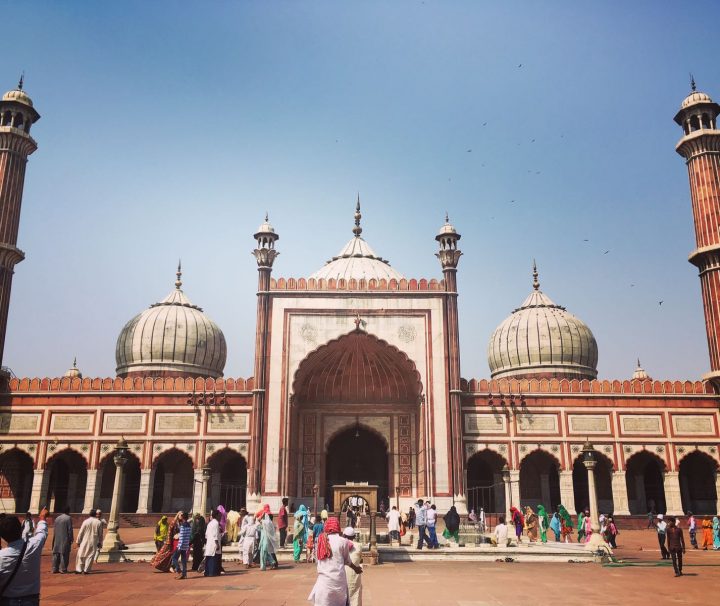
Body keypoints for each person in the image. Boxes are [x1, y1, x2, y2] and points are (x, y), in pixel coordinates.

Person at [308, 516, 362, 606]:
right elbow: (347, 561)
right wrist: (356, 569)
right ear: (338, 527)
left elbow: (318, 559)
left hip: (324, 580)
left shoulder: (320, 540)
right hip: (338, 581)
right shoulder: (343, 541)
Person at [0, 506, 49, 605]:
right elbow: (42, 532)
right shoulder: (34, 545)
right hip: (30, 600)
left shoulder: (2, 556)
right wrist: (42, 518)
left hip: (7, 600)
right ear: (21, 529)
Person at [75, 509, 103, 574]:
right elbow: (100, 534)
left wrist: (78, 541)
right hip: (94, 540)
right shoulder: (98, 522)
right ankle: (86, 570)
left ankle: (79, 569)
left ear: (89, 514)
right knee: (90, 555)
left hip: (84, 540)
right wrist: (100, 542)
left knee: (81, 554)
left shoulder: (85, 521)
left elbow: (81, 532)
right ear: (95, 514)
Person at [343, 526, 363, 606]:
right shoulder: (359, 546)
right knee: (355, 595)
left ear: (344, 536)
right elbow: (360, 559)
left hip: (342, 574)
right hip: (354, 575)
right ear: (354, 536)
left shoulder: (341, 545)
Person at [51, 506, 73, 574]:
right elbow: (70, 529)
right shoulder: (68, 518)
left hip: (57, 538)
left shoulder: (57, 518)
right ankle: (63, 569)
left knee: (56, 553)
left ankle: (54, 568)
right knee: (64, 554)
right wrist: (71, 538)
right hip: (65, 538)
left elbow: (54, 529)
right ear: (68, 511)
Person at [171, 511, 191, 580]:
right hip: (185, 545)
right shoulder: (189, 525)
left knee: (174, 558)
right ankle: (184, 574)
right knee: (183, 560)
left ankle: (179, 570)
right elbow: (188, 536)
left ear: (182, 518)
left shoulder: (183, 526)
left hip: (181, 545)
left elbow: (181, 536)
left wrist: (179, 546)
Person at [204, 510, 222, 577]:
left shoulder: (210, 523)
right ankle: (212, 573)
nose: (220, 516)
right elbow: (215, 535)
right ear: (217, 515)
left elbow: (206, 534)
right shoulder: (216, 523)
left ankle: (207, 572)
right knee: (213, 558)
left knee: (209, 558)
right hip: (214, 543)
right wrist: (217, 544)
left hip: (209, 543)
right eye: (220, 515)